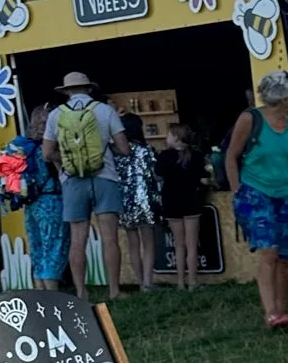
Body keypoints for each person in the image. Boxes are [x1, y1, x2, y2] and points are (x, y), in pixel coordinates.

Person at [225, 69, 288, 330]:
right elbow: (231, 156)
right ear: (283, 99)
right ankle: (271, 313)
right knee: (268, 253)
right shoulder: (251, 119)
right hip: (256, 191)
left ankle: (283, 312)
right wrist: (237, 190)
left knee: (284, 256)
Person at [43, 70, 128, 300]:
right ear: (89, 88)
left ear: (66, 91)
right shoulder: (105, 110)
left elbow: (47, 153)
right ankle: (114, 290)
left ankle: (81, 292)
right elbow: (124, 148)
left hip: (72, 182)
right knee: (110, 238)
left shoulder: (55, 115)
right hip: (105, 177)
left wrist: (68, 163)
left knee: (78, 240)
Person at [19, 103, 66, 289]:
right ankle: (53, 295)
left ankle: (39, 292)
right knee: (54, 246)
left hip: (31, 204)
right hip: (52, 201)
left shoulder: (24, 148)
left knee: (37, 248)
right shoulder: (49, 149)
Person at [157, 122, 208, 289]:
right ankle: (193, 281)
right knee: (192, 245)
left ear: (176, 137)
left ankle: (180, 282)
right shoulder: (196, 156)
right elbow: (204, 177)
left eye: (169, 135)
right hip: (191, 201)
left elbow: (158, 173)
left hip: (171, 202)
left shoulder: (165, 156)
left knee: (178, 245)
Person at [117, 112, 161, 293]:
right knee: (149, 243)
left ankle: (140, 279)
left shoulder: (117, 152)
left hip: (125, 202)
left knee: (132, 243)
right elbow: (155, 174)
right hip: (145, 202)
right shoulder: (147, 150)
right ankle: (148, 283)